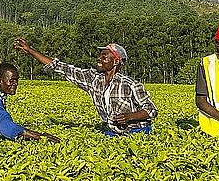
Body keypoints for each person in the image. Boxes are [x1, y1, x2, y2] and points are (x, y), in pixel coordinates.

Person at [14, 38, 157, 136]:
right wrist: (30, 51)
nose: (99, 59)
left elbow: (151, 110)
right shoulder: (93, 79)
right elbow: (61, 67)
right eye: (100, 56)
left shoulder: (131, 84)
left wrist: (129, 117)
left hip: (137, 132)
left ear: (115, 62)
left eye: (104, 57)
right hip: (113, 132)